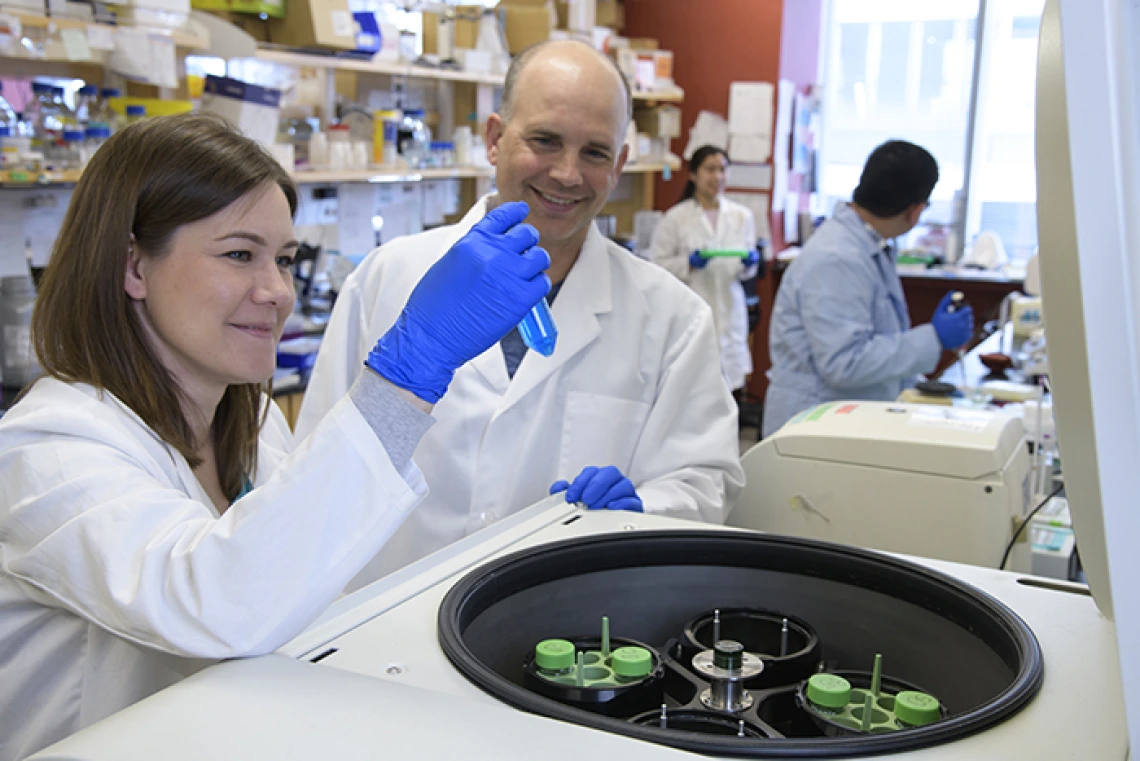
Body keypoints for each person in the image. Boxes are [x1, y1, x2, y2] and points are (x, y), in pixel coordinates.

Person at [0, 113, 551, 760]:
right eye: (239, 254)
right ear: (134, 267)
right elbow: (219, 601)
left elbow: (299, 595)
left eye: (284, 259)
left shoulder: (250, 423)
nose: (277, 292)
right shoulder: (48, 448)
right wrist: (408, 371)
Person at [297, 40, 744, 585]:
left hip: (563, 635)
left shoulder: (673, 319)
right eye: (545, 141)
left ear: (621, 163)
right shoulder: (387, 278)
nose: (567, 173)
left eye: (595, 153)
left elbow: (706, 486)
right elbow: (311, 468)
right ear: (494, 139)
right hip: (380, 629)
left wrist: (641, 512)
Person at [763, 140, 974, 437]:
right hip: (815, 427)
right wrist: (934, 338)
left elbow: (878, 338)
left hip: (842, 420)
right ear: (915, 211)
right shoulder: (837, 257)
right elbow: (843, 363)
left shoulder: (867, 245)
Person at [647, 145, 760, 396]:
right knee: (693, 391)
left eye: (722, 169)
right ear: (693, 175)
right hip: (691, 310)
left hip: (730, 311)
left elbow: (744, 273)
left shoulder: (742, 216)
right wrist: (688, 264)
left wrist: (750, 265)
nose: (717, 177)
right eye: (710, 169)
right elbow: (655, 266)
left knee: (730, 393)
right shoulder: (675, 218)